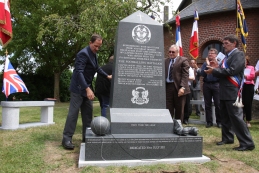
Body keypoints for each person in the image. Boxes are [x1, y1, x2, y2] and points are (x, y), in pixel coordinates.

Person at [205, 34, 255, 151]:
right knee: (225, 116)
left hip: (232, 90)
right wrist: (215, 68)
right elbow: (223, 69)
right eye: (223, 43)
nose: (224, 45)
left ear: (234, 43)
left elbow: (232, 71)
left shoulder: (239, 55)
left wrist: (215, 71)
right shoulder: (226, 56)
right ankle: (227, 137)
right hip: (223, 89)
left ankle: (247, 143)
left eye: (226, 43)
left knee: (236, 117)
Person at [62, 34, 112, 150]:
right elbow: (79, 72)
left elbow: (97, 68)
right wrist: (87, 88)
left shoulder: (94, 54)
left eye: (99, 47)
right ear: (90, 43)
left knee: (88, 114)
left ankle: (87, 137)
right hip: (78, 88)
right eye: (95, 46)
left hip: (87, 87)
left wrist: (107, 76)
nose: (97, 49)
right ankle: (66, 138)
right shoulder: (82, 54)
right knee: (73, 114)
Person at [165, 44, 190, 123]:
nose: (171, 53)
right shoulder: (165, 61)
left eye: (173, 52)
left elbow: (185, 75)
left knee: (179, 108)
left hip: (179, 88)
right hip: (168, 87)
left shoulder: (183, 60)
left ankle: (178, 126)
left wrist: (182, 87)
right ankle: (168, 125)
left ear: (177, 52)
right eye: (170, 52)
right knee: (168, 108)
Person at [200, 48, 221, 128]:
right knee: (207, 104)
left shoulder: (218, 63)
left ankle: (219, 122)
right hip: (207, 85)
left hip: (216, 84)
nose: (210, 55)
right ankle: (209, 122)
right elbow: (202, 74)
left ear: (216, 55)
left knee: (218, 104)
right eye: (209, 53)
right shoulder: (205, 63)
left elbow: (220, 74)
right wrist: (207, 66)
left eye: (212, 53)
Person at [242, 56, 255, 127]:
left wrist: (245, 76)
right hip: (241, 86)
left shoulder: (251, 68)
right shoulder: (239, 68)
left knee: (248, 103)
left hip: (249, 86)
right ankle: (241, 119)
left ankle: (248, 120)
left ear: (247, 61)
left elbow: (252, 76)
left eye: (245, 61)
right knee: (241, 103)